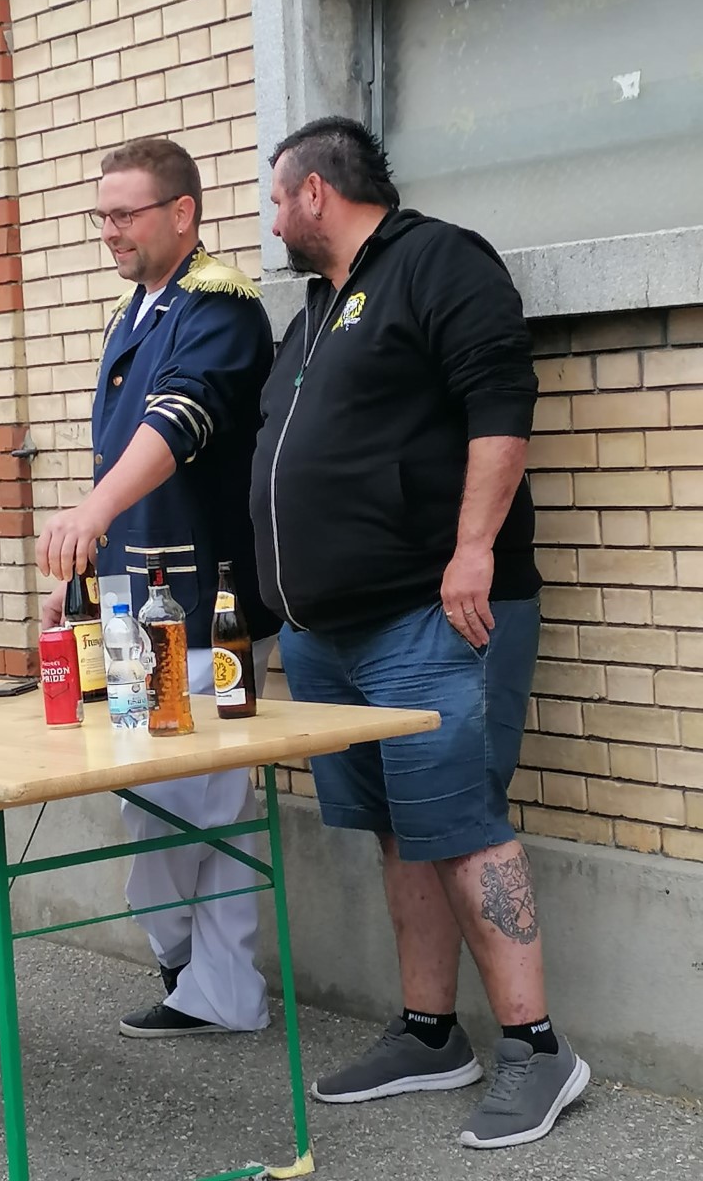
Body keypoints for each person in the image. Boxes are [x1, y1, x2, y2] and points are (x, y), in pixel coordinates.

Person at [250, 116, 589, 1149]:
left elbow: (502, 403)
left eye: (276, 199)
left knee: (462, 822)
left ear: (315, 191)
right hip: (328, 631)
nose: (272, 221)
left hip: (432, 614)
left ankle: (538, 1047)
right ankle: (432, 1032)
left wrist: (473, 547)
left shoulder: (438, 261)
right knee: (401, 828)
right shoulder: (317, 311)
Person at [37, 137, 279, 1039]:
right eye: (101, 214)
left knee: (198, 799)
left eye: (125, 213)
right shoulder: (136, 311)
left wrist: (89, 514)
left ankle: (205, 975)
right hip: (134, 600)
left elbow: (180, 420)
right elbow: (120, 457)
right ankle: (208, 982)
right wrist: (84, 568)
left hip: (201, 603)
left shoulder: (219, 305)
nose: (110, 230)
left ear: (182, 213)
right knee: (164, 796)